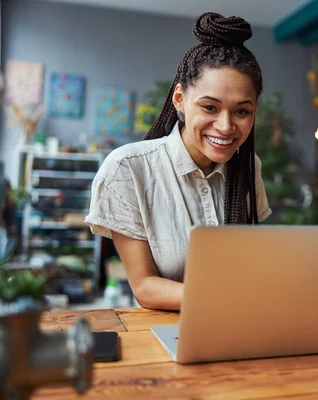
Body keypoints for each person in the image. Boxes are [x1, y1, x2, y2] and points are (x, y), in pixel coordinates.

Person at [84, 12, 271, 311]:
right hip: (167, 331)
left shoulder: (249, 167)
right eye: (210, 107)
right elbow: (145, 286)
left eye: (241, 111)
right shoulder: (128, 168)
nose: (225, 126)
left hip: (241, 325)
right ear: (180, 99)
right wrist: (226, 300)